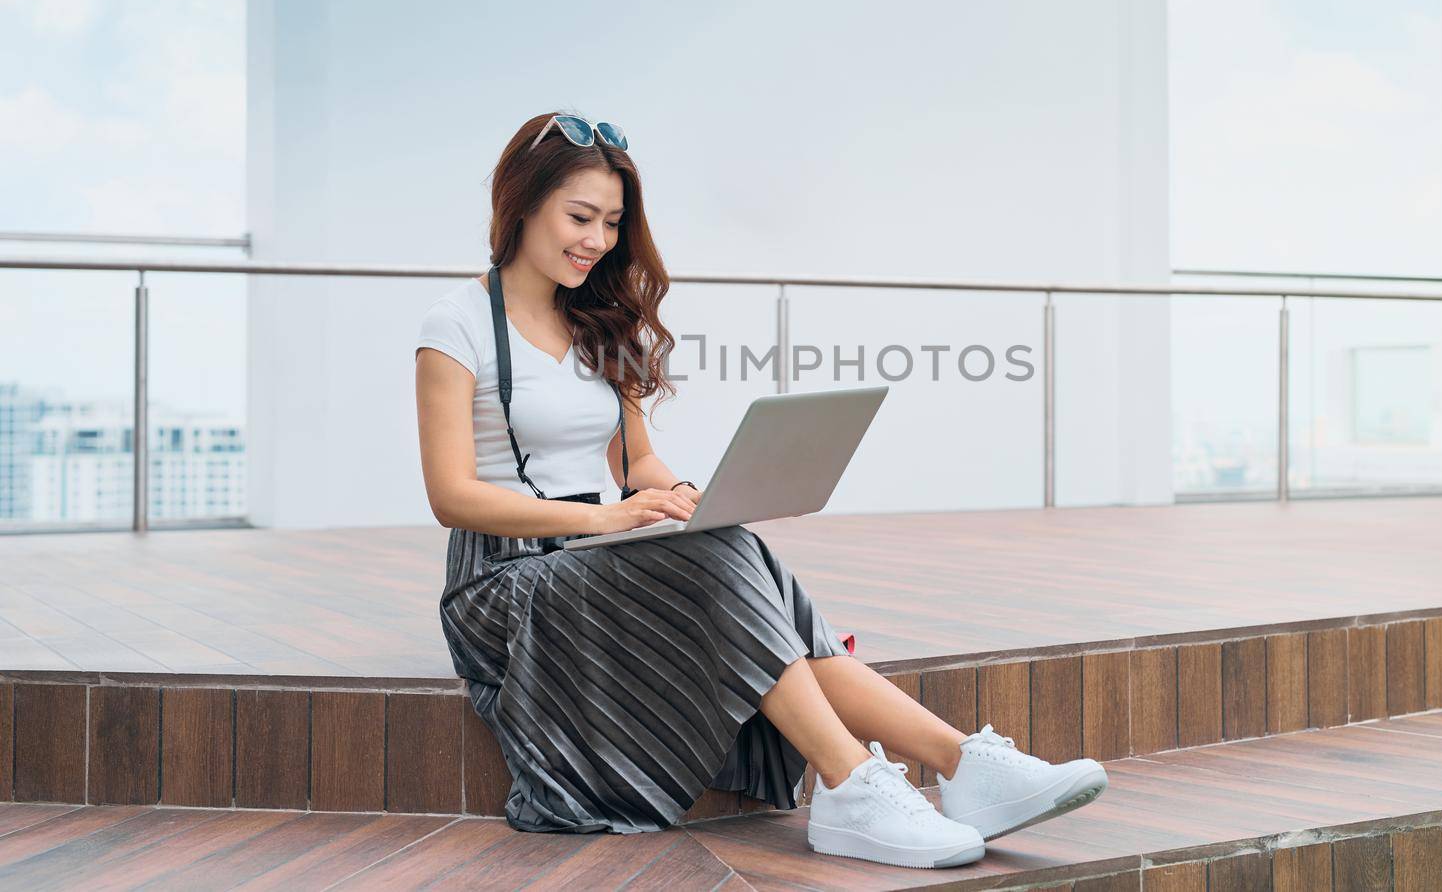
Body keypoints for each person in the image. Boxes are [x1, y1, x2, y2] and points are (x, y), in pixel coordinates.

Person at [414, 111, 1108, 870]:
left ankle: (959, 765)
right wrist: (608, 519)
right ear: (521, 204)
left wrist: (680, 497)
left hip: (600, 554)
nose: (598, 240)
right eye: (581, 217)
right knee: (719, 558)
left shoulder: (598, 324)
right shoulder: (458, 326)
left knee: (723, 539)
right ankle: (855, 783)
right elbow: (451, 495)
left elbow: (635, 459)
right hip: (504, 582)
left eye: (612, 222)